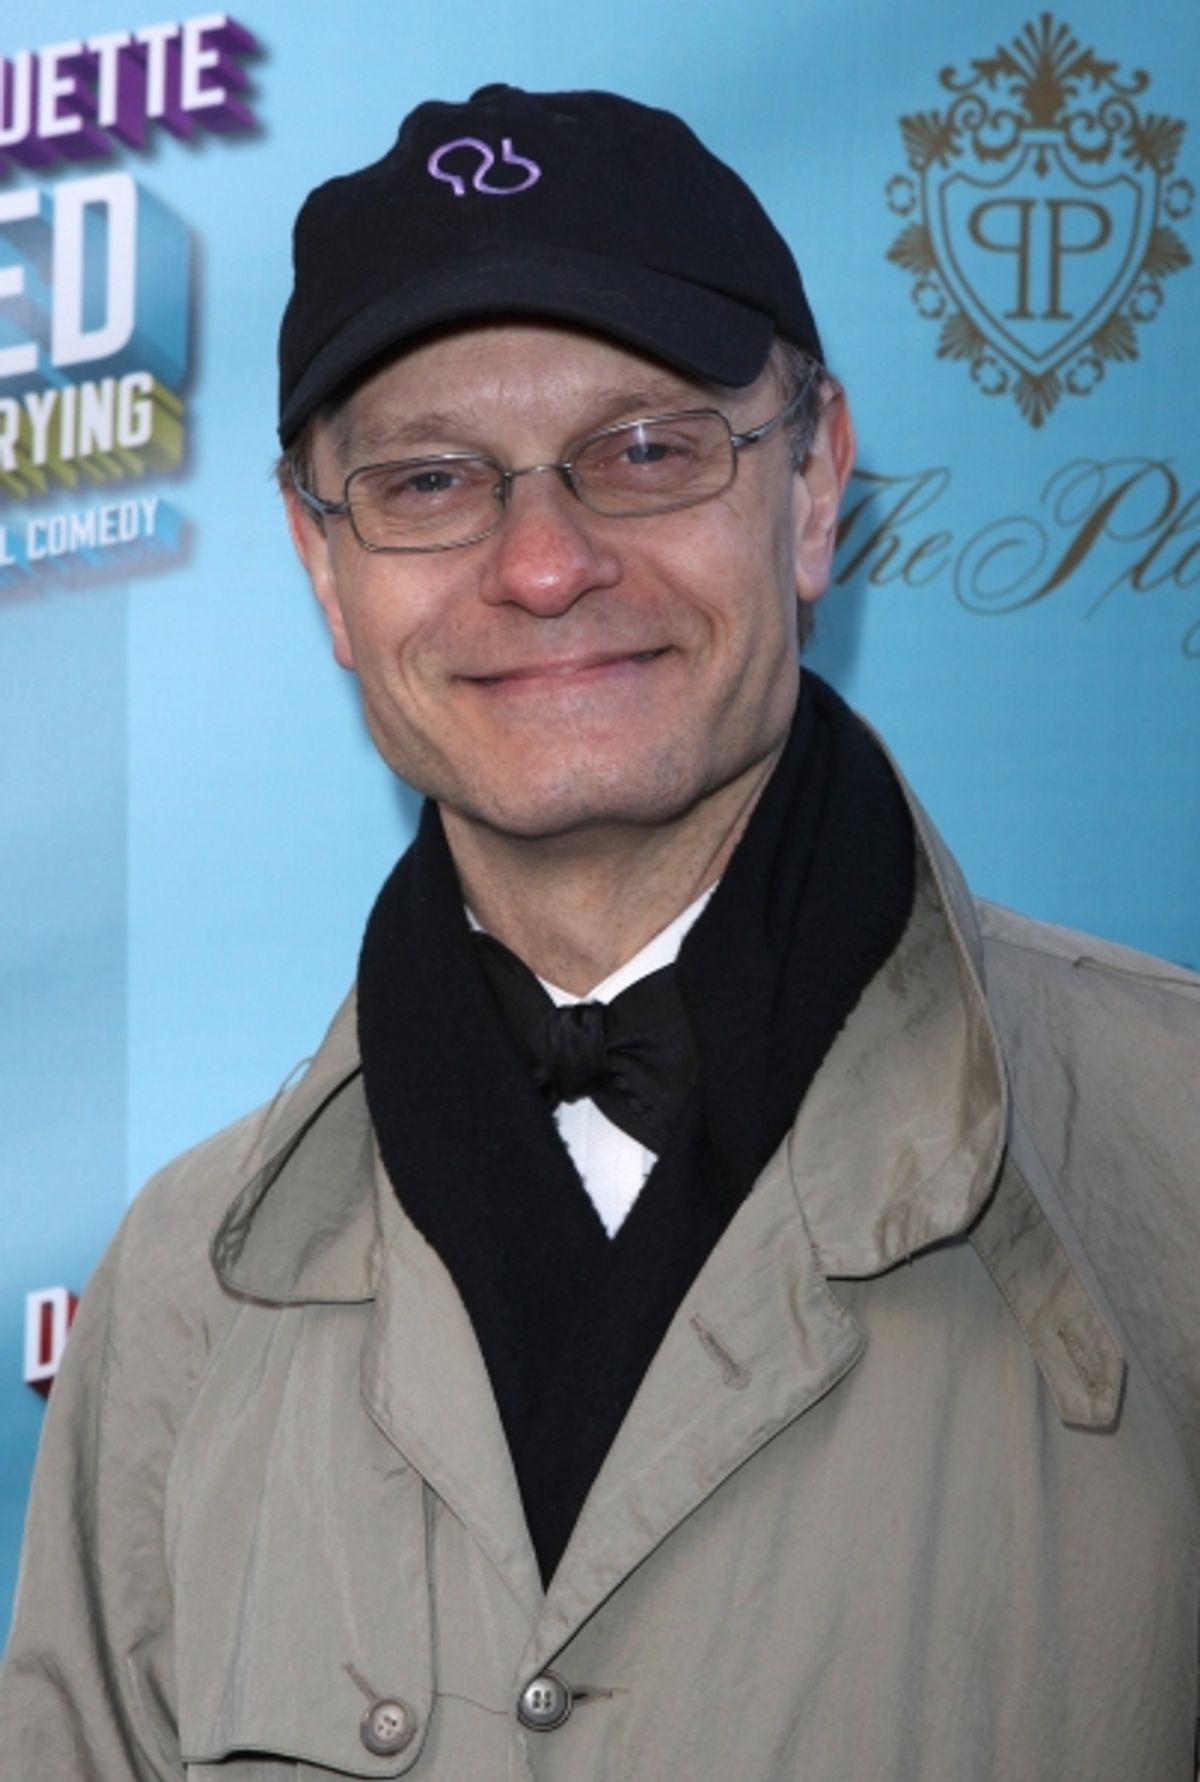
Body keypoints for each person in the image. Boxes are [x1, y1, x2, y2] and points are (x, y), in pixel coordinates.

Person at [1, 82, 1198, 1782]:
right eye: (426, 481)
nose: (546, 563)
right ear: (323, 569)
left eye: (644, 449)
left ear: (812, 483)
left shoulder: (1178, 1144)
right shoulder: (173, 1305)